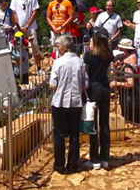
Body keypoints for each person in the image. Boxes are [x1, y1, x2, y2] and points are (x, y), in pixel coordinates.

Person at [49, 35, 88, 174]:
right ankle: (72, 164)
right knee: (74, 134)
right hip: (76, 102)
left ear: (65, 47)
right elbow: (85, 84)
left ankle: (59, 165)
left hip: (59, 102)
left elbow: (52, 85)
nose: (57, 48)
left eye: (58, 46)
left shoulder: (58, 63)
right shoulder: (80, 62)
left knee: (59, 134)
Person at [83, 28, 113, 170]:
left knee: (93, 125)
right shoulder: (109, 54)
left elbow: (86, 64)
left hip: (94, 90)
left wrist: (89, 45)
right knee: (105, 124)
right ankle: (105, 157)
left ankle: (95, 158)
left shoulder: (90, 55)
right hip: (105, 88)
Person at [110, 39, 140, 123]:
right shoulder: (123, 63)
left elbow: (130, 82)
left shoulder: (129, 63)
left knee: (131, 118)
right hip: (125, 94)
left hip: (131, 95)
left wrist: (117, 83)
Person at [10, 0, 42, 70]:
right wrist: (19, 27)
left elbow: (35, 11)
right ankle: (20, 70)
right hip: (18, 28)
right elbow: (14, 13)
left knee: (34, 47)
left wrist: (27, 25)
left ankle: (39, 67)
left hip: (30, 27)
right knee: (18, 48)